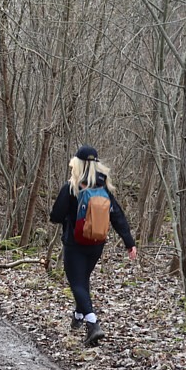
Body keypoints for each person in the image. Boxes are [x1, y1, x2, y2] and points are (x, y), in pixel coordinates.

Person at [50, 145, 137, 347]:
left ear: (77, 164)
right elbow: (117, 216)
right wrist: (129, 242)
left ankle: (93, 323)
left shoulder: (71, 187)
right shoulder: (103, 187)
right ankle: (79, 316)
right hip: (97, 243)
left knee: (77, 283)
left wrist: (67, 218)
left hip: (75, 243)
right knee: (83, 280)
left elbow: (55, 216)